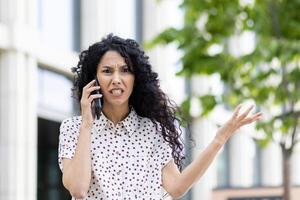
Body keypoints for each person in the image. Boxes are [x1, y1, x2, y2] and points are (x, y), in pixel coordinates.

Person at [58, 34, 262, 200]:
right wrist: (87, 123)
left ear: (135, 78)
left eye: (125, 71)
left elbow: (177, 187)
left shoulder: (152, 130)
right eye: (107, 71)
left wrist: (219, 139)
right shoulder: (73, 128)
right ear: (94, 80)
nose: (117, 80)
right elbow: (78, 189)